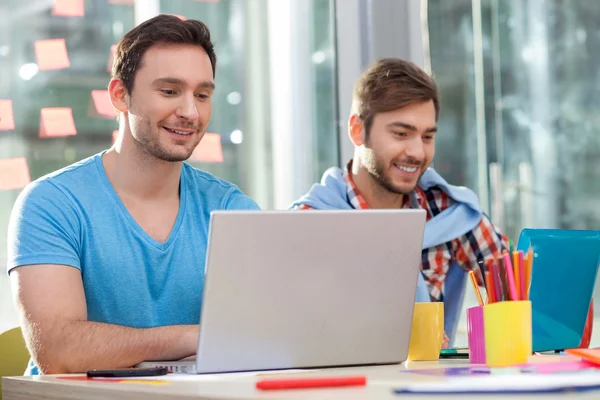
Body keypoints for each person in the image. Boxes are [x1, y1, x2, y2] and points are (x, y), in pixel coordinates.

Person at [7, 15, 259, 375]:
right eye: (170, 91)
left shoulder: (232, 209)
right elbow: (58, 352)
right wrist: (192, 338)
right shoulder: (51, 204)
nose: (190, 112)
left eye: (202, 95)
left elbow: (261, 340)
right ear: (120, 95)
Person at [291, 58, 509, 344]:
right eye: (401, 134)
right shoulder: (308, 223)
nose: (417, 152)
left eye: (427, 136)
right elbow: (292, 333)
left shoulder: (449, 213)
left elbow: (516, 294)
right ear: (358, 130)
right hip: (342, 385)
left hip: (429, 383)